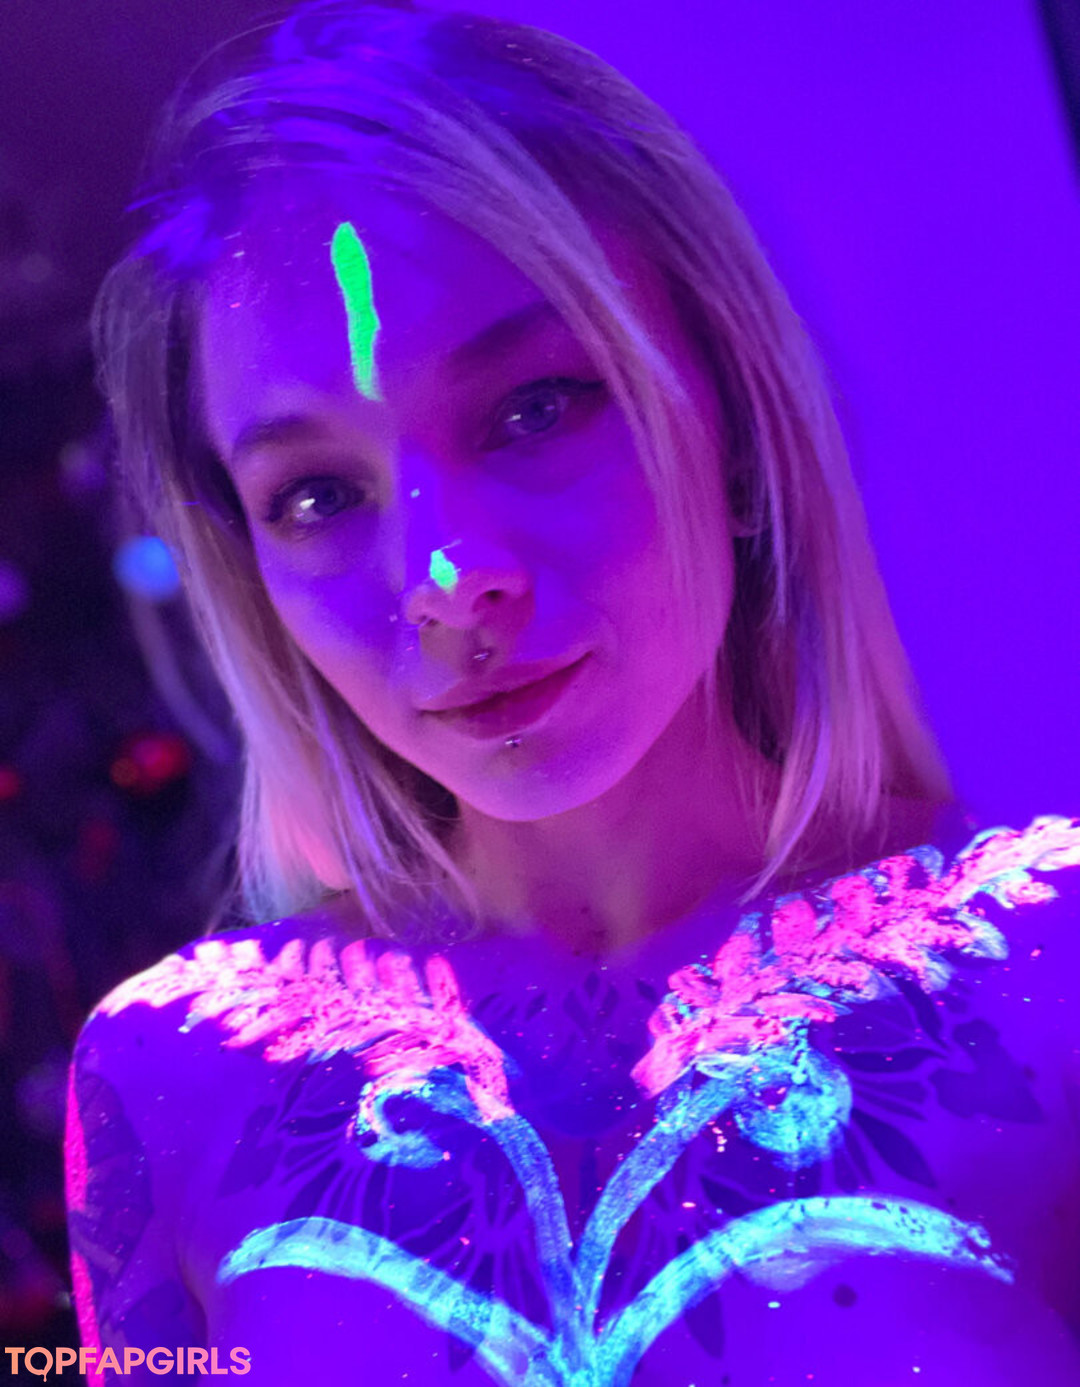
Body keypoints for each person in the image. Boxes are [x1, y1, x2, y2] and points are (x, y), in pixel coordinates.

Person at [64, 2, 1080, 1383]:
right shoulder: (170, 1082)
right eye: (317, 495)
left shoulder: (1047, 976)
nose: (445, 578)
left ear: (731, 417)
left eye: (533, 410)